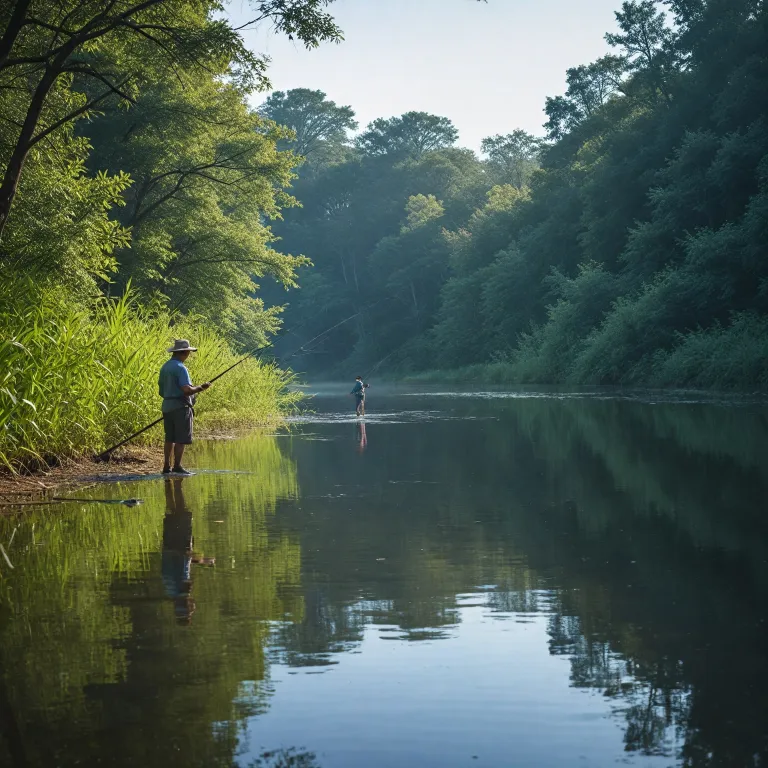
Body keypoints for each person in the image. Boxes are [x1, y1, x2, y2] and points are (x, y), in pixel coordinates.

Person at [158, 339, 211, 475]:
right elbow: (187, 390)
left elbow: (161, 391)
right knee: (181, 439)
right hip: (181, 407)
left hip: (167, 406)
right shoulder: (181, 368)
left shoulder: (165, 367)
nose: (189, 354)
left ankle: (166, 466)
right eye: (188, 352)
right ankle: (177, 466)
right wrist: (201, 388)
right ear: (185, 352)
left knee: (169, 438)